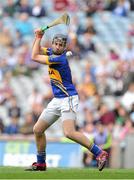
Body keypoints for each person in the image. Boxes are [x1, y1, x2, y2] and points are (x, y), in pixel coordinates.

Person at [26, 28, 108, 171]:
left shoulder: (59, 59)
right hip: (57, 99)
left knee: (69, 132)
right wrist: (37, 36)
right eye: (56, 44)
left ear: (64, 47)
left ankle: (99, 153)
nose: (58, 46)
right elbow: (37, 49)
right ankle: (41, 163)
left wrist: (39, 36)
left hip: (68, 98)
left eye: (61, 45)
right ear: (53, 44)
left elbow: (33, 57)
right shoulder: (52, 52)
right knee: (38, 129)